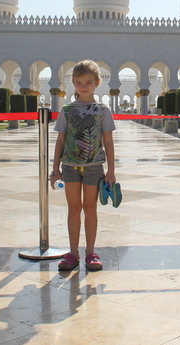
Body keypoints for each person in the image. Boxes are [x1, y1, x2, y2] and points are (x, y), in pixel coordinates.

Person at [50, 60, 116, 271]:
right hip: (70, 167)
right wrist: (55, 170)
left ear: (97, 82)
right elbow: (60, 140)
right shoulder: (67, 110)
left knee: (90, 208)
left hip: (94, 168)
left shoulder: (103, 110)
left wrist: (111, 171)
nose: (83, 86)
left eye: (88, 82)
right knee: (73, 209)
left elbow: (108, 141)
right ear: (73, 84)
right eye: (78, 82)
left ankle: (91, 253)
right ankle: (72, 253)